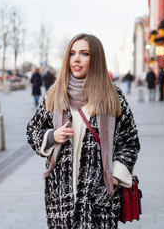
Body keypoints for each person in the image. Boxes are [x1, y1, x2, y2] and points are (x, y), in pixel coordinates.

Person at [26, 33, 140, 228]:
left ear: (95, 59)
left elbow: (130, 142)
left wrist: (114, 177)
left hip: (100, 197)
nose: (76, 59)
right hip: (61, 195)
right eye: (72, 53)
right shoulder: (54, 95)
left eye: (84, 54)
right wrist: (52, 136)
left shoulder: (113, 96)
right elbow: (32, 131)